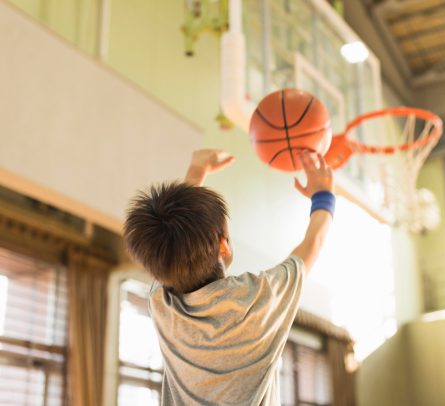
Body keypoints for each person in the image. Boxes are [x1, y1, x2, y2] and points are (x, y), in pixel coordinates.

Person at [123, 148, 335, 405]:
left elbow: (167, 245)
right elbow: (311, 246)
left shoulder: (161, 303)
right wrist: (323, 195)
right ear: (223, 244)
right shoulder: (256, 300)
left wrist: (323, 196)